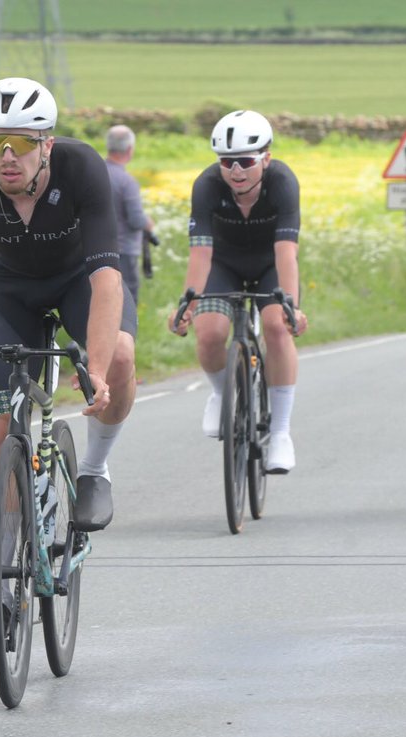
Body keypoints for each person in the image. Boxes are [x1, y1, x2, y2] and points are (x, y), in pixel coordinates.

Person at [0, 77, 137, 647]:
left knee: (123, 356)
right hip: (11, 293)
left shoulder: (83, 169)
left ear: (47, 144)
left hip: (80, 282)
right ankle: (1, 590)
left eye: (19, 142)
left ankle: (94, 468)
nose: (5, 155)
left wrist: (99, 372)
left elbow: (109, 278)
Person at [169, 110, 308, 473]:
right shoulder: (207, 185)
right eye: (226, 162)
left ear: (266, 158)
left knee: (277, 327)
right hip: (223, 264)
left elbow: (286, 253)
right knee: (210, 331)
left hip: (269, 265)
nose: (236, 171)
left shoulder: (283, 183)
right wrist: (189, 301)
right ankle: (220, 391)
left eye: (245, 161)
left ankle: (280, 433)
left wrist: (290, 305)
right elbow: (200, 252)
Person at [104, 124, 154, 303]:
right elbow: (135, 219)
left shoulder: (96, 173)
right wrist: (148, 223)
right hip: (124, 249)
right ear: (130, 149)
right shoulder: (127, 181)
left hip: (95, 247)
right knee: (126, 300)